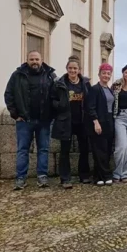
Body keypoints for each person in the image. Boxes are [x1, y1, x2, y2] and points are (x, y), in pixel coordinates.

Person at [4, 50, 57, 190]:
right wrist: (15, 114)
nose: (34, 61)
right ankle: (20, 178)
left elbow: (57, 95)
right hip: (24, 121)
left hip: (44, 120)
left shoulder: (50, 75)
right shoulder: (17, 75)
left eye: (37, 59)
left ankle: (42, 177)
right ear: (27, 60)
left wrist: (52, 113)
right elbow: (9, 94)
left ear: (41, 60)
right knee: (22, 150)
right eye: (32, 59)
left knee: (44, 149)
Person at [52, 56, 92, 189]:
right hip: (66, 121)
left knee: (84, 149)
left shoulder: (85, 83)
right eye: (70, 68)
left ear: (79, 70)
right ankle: (65, 178)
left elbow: (90, 100)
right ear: (67, 69)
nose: (72, 70)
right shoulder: (60, 83)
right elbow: (52, 99)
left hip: (81, 121)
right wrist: (60, 105)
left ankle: (84, 175)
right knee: (65, 151)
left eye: (75, 68)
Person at [86, 63, 115, 186]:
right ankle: (106, 175)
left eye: (108, 74)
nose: (106, 76)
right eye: (104, 73)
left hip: (109, 121)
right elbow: (90, 107)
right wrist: (96, 122)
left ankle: (98, 176)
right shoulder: (94, 89)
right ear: (99, 74)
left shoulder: (109, 89)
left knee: (107, 149)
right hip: (99, 121)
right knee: (99, 150)